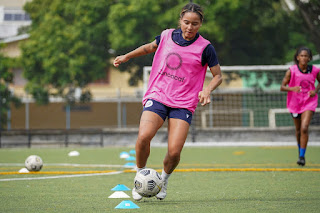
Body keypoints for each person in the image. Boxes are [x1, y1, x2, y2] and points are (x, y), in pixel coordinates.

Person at [113, 3, 222, 200]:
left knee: (173, 152)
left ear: (201, 24)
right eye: (186, 22)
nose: (190, 27)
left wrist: (207, 89)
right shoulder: (166, 36)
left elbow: (218, 76)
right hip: (158, 95)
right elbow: (148, 48)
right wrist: (127, 56)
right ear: (180, 20)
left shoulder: (206, 48)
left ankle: (163, 181)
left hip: (183, 103)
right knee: (144, 136)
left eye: (195, 24)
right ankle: (140, 178)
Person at [280, 47, 320, 166]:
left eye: (306, 56)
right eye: (301, 56)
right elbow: (282, 87)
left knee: (304, 127)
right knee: (298, 131)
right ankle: (300, 150)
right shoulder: (291, 71)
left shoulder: (315, 70)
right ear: (297, 57)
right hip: (295, 104)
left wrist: (315, 90)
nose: (303, 58)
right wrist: (292, 88)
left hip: (309, 102)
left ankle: (302, 157)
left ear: (309, 58)